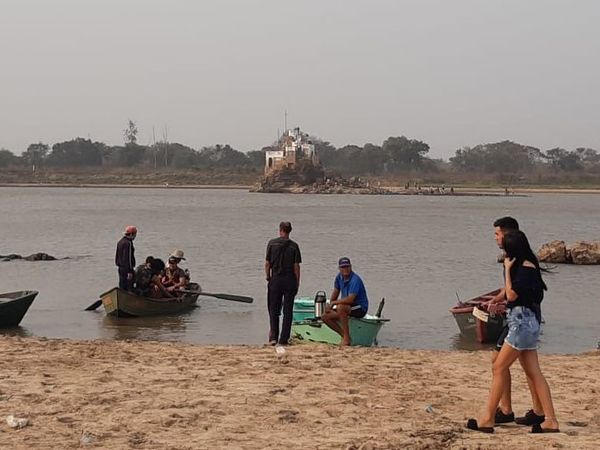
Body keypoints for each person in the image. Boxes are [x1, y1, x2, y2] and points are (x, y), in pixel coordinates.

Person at [467, 230, 559, 434]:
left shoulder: (525, 268)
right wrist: (498, 303)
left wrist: (508, 270)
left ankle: (488, 418)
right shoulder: (527, 266)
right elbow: (517, 299)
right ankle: (550, 420)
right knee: (534, 373)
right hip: (525, 322)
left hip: (522, 324)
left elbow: (511, 293)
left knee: (499, 367)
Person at [486, 217, 543, 426]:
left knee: (522, 366)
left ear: (508, 235)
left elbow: (515, 293)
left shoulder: (520, 261)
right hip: (516, 317)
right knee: (502, 360)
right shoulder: (512, 258)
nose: (495, 238)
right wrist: (495, 299)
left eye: (497, 234)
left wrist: (507, 300)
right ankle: (507, 408)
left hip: (523, 319)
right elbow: (509, 290)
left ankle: (538, 411)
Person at [264, 221, 302, 346]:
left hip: (276, 279)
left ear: (280, 229)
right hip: (289, 279)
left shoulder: (272, 243)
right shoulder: (294, 246)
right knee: (288, 311)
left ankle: (273, 336)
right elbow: (296, 266)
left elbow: (267, 263)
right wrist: (297, 282)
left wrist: (268, 276)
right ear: (290, 230)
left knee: (273, 309)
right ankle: (284, 339)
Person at [321, 257, 369, 346]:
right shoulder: (339, 278)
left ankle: (346, 339)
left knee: (341, 307)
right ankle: (344, 335)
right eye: (343, 267)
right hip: (345, 307)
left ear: (351, 267)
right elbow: (335, 292)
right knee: (325, 316)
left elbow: (350, 299)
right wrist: (330, 305)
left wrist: (334, 303)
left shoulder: (355, 280)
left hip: (359, 307)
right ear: (339, 268)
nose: (345, 269)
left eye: (347, 267)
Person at [115, 225, 137, 291]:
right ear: (132, 234)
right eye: (135, 234)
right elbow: (128, 258)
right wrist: (130, 271)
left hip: (120, 268)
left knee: (122, 286)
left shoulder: (120, 242)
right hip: (127, 269)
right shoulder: (128, 243)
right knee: (129, 286)